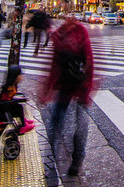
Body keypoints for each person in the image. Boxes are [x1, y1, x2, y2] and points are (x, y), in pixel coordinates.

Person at [41, 17, 95, 178]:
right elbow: (89, 60)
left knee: (59, 122)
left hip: (68, 86)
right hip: (77, 85)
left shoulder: (61, 35)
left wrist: (48, 88)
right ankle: (75, 159)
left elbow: (54, 65)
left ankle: (54, 158)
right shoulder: (73, 33)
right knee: (78, 126)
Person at [0, 65, 35, 135]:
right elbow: (6, 99)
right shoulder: (10, 87)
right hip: (3, 108)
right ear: (15, 77)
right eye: (20, 75)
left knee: (18, 106)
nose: (21, 77)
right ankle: (23, 125)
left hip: (5, 105)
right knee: (19, 107)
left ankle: (23, 121)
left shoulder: (12, 85)